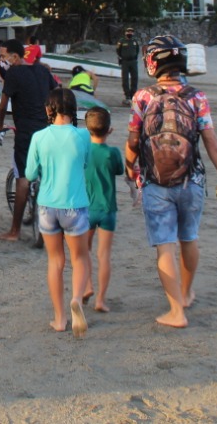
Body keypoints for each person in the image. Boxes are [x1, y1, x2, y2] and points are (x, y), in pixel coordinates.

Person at [126, 34, 217, 329]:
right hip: (192, 181)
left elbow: (133, 140)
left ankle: (176, 311)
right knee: (189, 238)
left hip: (155, 183)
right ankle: (186, 293)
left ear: (152, 63)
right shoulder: (197, 96)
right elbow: (211, 139)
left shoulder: (142, 97)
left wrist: (130, 170)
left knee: (165, 246)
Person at [25, 87, 92, 337]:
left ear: (48, 110)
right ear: (73, 111)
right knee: (80, 259)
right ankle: (76, 298)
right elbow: (85, 164)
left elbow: (30, 173)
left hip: (47, 205)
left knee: (55, 262)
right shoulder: (83, 137)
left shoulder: (39, 137)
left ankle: (60, 318)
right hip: (75, 204)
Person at [0, 38, 58, 243]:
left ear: (15, 56)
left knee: (23, 178)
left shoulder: (13, 73)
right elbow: (57, 95)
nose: (2, 60)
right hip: (47, 129)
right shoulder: (43, 71)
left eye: (4, 56)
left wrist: (0, 123)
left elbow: (3, 105)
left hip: (26, 132)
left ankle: (15, 231)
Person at [83, 107, 125, 314]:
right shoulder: (113, 153)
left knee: (84, 251)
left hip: (87, 208)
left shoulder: (83, 152)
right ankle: (101, 299)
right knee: (104, 255)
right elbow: (119, 170)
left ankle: (88, 285)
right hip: (108, 208)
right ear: (109, 129)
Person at [115, 27, 141, 106]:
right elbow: (118, 51)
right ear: (125, 32)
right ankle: (127, 95)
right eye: (128, 31)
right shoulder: (122, 41)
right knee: (125, 79)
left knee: (135, 78)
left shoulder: (135, 41)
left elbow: (137, 50)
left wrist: (134, 56)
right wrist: (122, 57)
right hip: (125, 62)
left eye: (131, 32)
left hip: (133, 61)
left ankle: (133, 94)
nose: (130, 33)